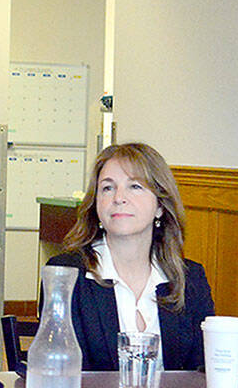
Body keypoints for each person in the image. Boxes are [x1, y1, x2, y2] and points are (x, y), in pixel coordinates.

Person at [47, 142, 214, 371]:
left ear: (160, 206)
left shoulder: (191, 279)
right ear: (96, 204)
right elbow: (66, 374)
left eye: (134, 186)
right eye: (107, 188)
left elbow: (202, 374)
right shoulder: (67, 275)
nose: (118, 198)